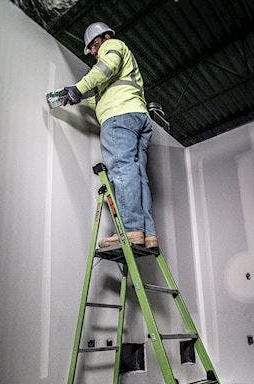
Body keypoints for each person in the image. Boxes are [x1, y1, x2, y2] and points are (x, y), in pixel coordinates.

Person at [60, 22, 158, 249]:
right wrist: (78, 97)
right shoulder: (123, 63)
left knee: (123, 171)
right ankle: (148, 234)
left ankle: (131, 230)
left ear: (98, 41)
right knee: (138, 175)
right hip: (137, 116)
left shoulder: (112, 45)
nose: (94, 55)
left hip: (119, 117)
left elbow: (106, 66)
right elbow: (104, 96)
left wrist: (79, 87)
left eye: (92, 49)